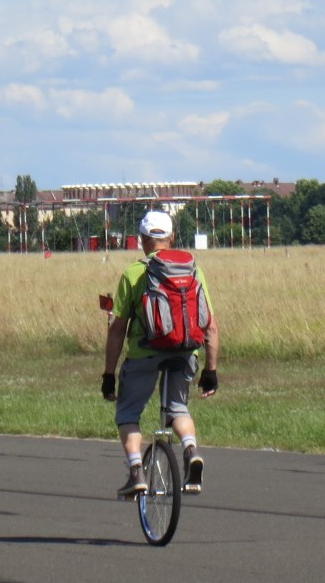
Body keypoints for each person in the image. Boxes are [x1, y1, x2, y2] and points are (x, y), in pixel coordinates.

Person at [102, 210, 219, 498]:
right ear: (172, 238)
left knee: (128, 412)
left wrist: (108, 374)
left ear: (142, 239)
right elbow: (211, 327)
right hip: (184, 351)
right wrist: (211, 371)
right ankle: (191, 450)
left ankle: (136, 473)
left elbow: (117, 330)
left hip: (144, 354)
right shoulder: (194, 270)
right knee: (178, 408)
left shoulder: (133, 272)